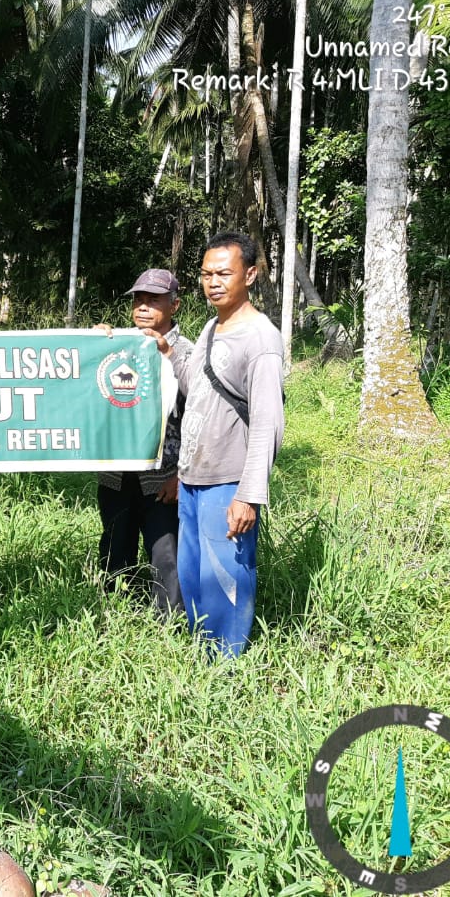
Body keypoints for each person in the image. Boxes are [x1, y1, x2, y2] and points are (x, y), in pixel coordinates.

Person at [146, 232, 285, 657]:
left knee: (226, 581)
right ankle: (199, 658)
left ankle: (225, 671)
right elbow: (197, 388)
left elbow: (268, 422)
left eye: (224, 273)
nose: (214, 282)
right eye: (206, 274)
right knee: (194, 576)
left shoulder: (260, 339)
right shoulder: (211, 327)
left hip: (228, 482)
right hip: (192, 478)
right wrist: (169, 350)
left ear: (251, 274)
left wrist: (249, 496)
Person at [94, 269, 193, 617]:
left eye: (154, 300)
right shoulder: (117, 346)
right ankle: (112, 615)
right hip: (118, 472)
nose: (143, 307)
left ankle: (168, 627)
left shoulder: (187, 354)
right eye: (138, 299)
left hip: (163, 477)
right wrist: (89, 345)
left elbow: (199, 420)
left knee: (165, 552)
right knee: (114, 545)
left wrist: (181, 475)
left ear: (175, 305)